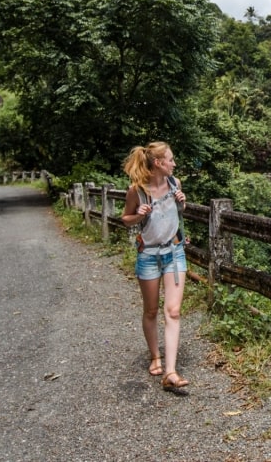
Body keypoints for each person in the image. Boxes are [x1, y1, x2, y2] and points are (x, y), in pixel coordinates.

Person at [121, 141, 190, 390]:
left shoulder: (175, 184)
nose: (174, 163)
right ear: (159, 163)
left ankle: (171, 372)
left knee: (173, 311)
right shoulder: (137, 190)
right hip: (148, 255)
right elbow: (126, 219)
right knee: (151, 310)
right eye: (171, 160)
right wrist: (139, 214)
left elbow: (179, 212)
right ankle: (155, 356)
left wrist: (182, 202)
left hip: (174, 252)